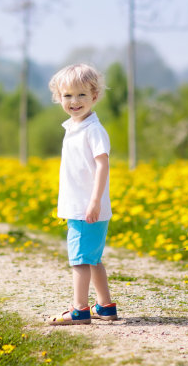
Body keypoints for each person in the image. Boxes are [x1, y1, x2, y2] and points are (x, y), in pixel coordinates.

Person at [47, 63, 118, 325]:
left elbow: (103, 165)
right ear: (59, 98)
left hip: (87, 208)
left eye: (81, 95)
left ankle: (79, 310)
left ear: (94, 96)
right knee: (92, 259)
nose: (74, 101)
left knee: (79, 260)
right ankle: (105, 306)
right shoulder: (75, 128)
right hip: (81, 206)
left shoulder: (93, 130)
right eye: (68, 95)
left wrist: (94, 201)